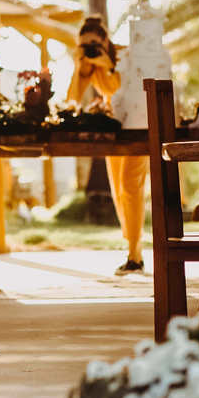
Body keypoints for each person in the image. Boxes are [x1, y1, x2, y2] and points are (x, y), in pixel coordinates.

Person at [66, 16, 153, 276]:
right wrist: (80, 65)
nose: (91, 49)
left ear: (105, 40)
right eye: (85, 45)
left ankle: (135, 253)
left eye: (94, 44)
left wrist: (110, 65)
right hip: (114, 129)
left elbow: (125, 88)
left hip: (138, 126)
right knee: (118, 190)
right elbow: (73, 97)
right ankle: (133, 252)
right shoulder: (90, 66)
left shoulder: (124, 57)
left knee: (131, 184)